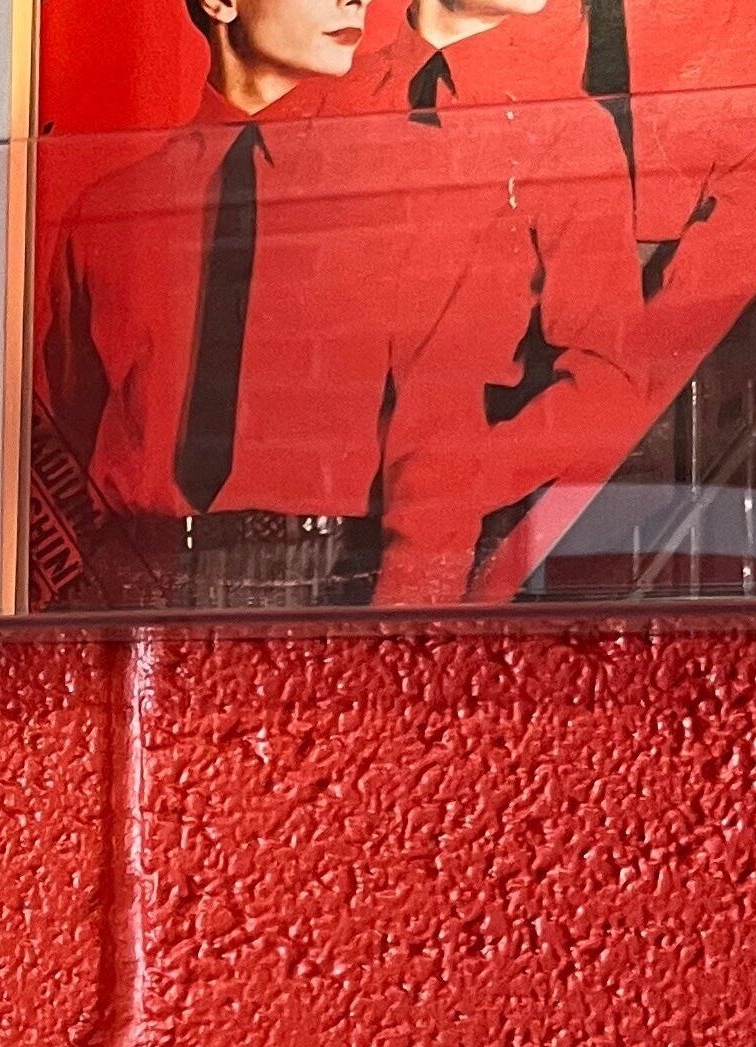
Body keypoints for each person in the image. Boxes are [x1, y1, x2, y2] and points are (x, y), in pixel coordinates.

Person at [41, 0, 424, 608]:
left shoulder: (404, 198)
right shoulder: (108, 214)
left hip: (334, 580)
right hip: (135, 579)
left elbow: (442, 435)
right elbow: (71, 422)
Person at [304, 0, 649, 603]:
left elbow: (610, 381)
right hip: (261, 546)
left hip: (437, 555)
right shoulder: (323, 102)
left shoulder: (566, 127)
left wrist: (455, 485)